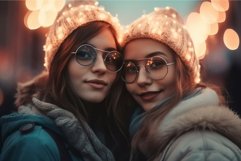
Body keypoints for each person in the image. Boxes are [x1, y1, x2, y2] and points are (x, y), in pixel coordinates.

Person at [0, 1, 131, 161]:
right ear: (60, 64)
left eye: (111, 58)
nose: (101, 67)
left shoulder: (112, 136)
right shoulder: (34, 145)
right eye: (84, 54)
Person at [121, 7, 241, 161]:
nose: (141, 79)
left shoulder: (203, 149)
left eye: (156, 64)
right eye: (131, 68)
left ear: (183, 71)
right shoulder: (145, 137)